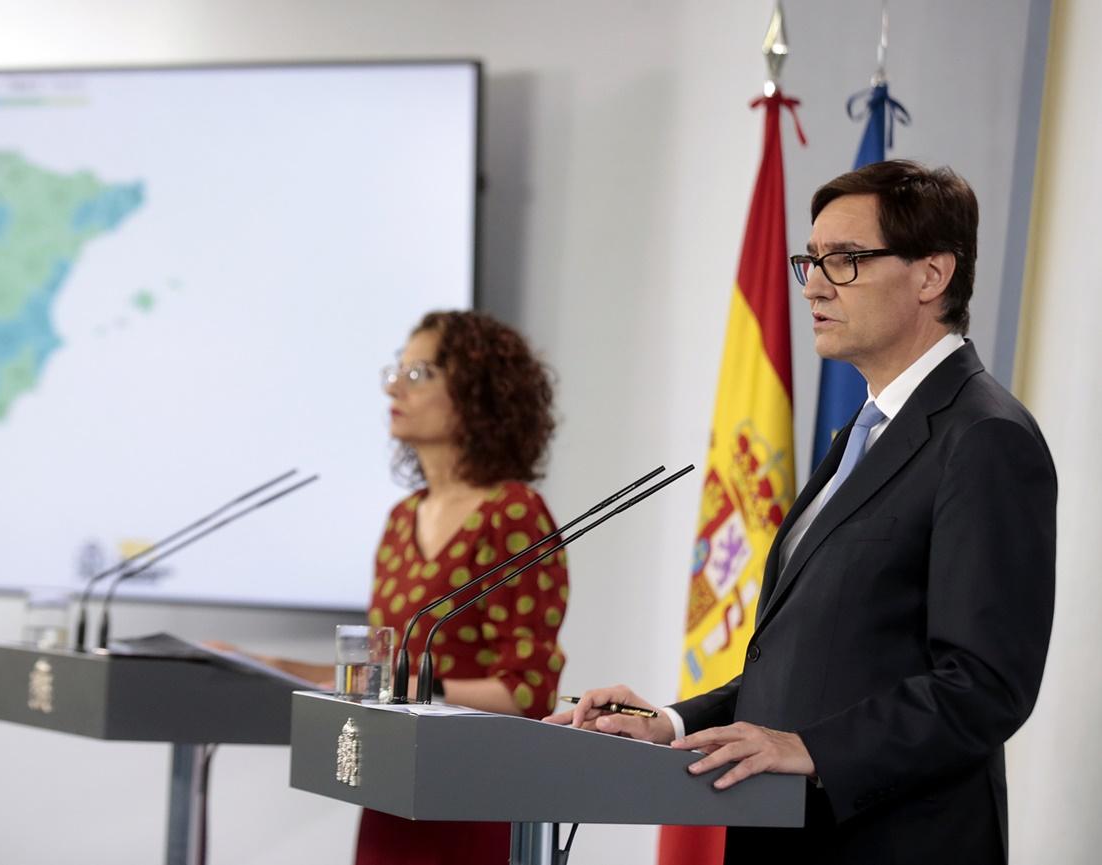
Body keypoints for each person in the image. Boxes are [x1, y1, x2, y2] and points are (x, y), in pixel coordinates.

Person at [547, 160, 1055, 865]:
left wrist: (811, 750)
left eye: (844, 260)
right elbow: (805, 664)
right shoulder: (864, 431)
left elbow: (986, 684)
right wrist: (668, 722)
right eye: (810, 260)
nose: (814, 283)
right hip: (785, 832)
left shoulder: (984, 435)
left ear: (932, 276)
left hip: (897, 842)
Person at [222, 310, 569, 864]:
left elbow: (525, 693)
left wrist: (410, 694)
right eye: (395, 371)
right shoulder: (400, 519)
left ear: (477, 391)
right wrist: (270, 665)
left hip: (472, 794)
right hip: (390, 785)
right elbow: (380, 676)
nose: (393, 387)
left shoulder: (514, 514)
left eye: (418, 374)